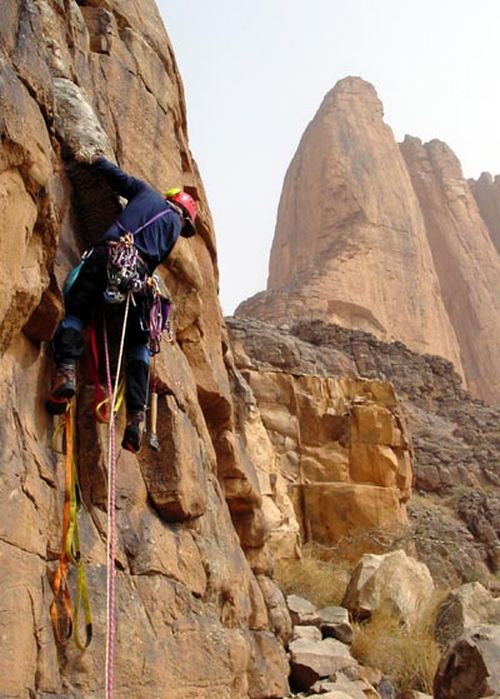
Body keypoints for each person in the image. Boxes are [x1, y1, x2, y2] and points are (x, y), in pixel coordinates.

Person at [46, 156, 197, 453]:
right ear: (184, 218)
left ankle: (66, 371)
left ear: (169, 198)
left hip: (108, 257)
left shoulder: (147, 194)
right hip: (138, 281)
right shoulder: (171, 233)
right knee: (139, 344)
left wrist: (92, 160)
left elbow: (116, 178)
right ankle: (136, 418)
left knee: (78, 310)